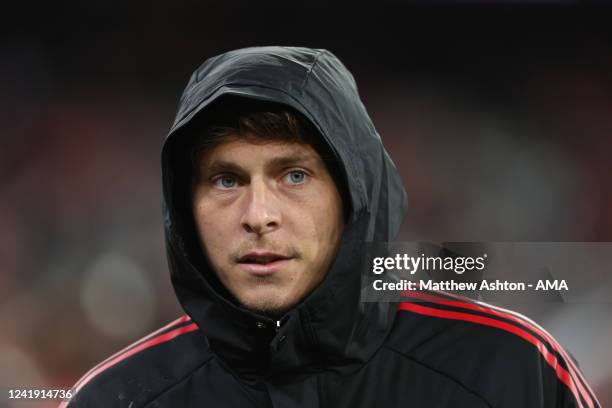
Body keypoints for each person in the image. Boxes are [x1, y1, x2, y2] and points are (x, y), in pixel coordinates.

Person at [61, 46, 600, 407]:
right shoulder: (115, 398)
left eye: (294, 174)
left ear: (353, 195)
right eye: (226, 180)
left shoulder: (509, 371)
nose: (257, 215)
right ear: (182, 209)